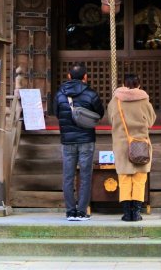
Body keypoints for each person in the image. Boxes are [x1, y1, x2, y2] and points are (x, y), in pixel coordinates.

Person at [55, 63, 104, 221]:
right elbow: (100, 113)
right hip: (86, 139)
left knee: (68, 176)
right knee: (85, 175)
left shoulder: (60, 94)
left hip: (67, 140)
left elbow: (57, 113)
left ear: (69, 76)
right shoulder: (90, 94)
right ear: (85, 77)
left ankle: (70, 211)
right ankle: (82, 211)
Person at [107, 73, 156, 222]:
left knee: (124, 179)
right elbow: (151, 121)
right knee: (139, 179)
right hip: (140, 144)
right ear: (139, 85)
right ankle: (136, 213)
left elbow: (111, 120)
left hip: (122, 144)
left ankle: (127, 213)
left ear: (123, 83)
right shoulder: (144, 100)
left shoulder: (115, 101)